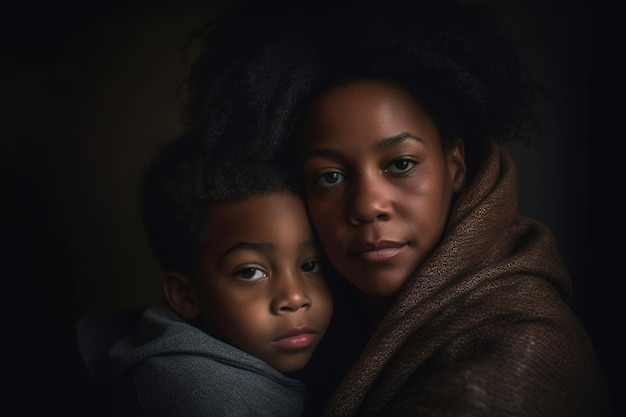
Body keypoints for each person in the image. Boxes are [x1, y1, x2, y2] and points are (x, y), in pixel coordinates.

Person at [180, 0, 611, 416]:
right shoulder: (318, 311)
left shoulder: (516, 356)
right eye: (330, 176)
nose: (368, 206)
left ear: (455, 166)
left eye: (401, 165)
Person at [77, 136, 333, 417]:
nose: (295, 297)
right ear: (186, 295)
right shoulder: (199, 393)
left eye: (310, 265)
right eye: (250, 272)